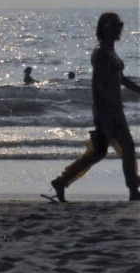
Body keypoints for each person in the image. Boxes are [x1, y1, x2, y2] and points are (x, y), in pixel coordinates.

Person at [50, 12, 140, 202]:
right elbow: (97, 85)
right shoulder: (100, 53)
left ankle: (62, 180)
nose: (118, 29)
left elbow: (121, 79)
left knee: (98, 152)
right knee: (128, 147)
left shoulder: (110, 51)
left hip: (114, 108)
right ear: (104, 29)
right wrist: (101, 113)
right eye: (114, 25)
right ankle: (134, 191)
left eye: (120, 25)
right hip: (107, 110)